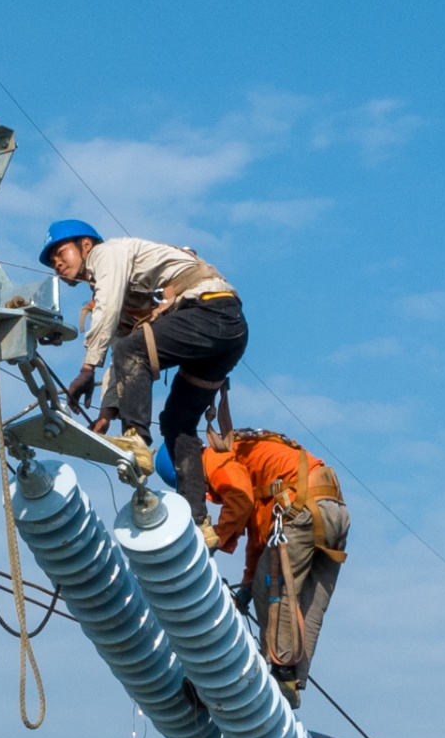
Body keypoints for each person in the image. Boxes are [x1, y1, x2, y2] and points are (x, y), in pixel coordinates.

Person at [41, 220, 246, 521]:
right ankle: (198, 521)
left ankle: (136, 439)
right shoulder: (124, 283)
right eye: (53, 262)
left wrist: (87, 369)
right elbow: (122, 351)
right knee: (177, 422)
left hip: (211, 311)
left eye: (61, 253)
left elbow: (109, 314)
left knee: (132, 349)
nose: (57, 264)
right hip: (229, 330)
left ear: (86, 245)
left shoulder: (106, 254)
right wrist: (107, 413)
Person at [202, 425, 347, 704]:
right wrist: (245, 583)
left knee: (272, 591)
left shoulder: (214, 456)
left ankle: (281, 673)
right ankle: (293, 682)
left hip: (302, 506)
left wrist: (212, 540)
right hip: (334, 512)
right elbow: (259, 539)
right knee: (309, 604)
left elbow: (239, 503)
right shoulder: (252, 458)